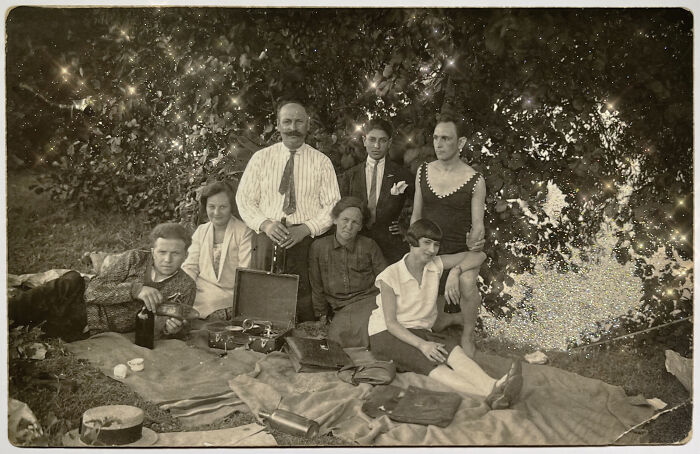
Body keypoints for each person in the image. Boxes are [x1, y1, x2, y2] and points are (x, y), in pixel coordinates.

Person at [367, 219, 522, 409]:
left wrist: (455, 272)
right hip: (386, 334)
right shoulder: (390, 275)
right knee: (431, 360)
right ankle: (489, 393)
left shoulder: (435, 264)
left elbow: (479, 255)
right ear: (411, 242)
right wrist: (423, 345)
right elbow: (391, 323)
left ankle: (493, 385)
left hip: (420, 330)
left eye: (436, 244)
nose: (432, 250)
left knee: (452, 351)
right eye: (426, 243)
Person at [236, 97, 341, 322]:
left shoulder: (322, 162)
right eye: (287, 122)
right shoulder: (261, 159)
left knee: (303, 302)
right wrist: (265, 224)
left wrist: (305, 229)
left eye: (299, 122)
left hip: (305, 241)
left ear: (308, 124)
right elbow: (244, 199)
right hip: (267, 237)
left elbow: (333, 205)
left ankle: (300, 341)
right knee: (263, 297)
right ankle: (262, 336)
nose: (293, 128)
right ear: (278, 125)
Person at [8, 223, 196, 341]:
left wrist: (175, 329)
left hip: (87, 323)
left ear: (185, 255)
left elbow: (182, 324)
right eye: (162, 252)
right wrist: (136, 289)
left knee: (32, 329)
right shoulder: (135, 259)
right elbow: (93, 291)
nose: (167, 260)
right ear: (153, 250)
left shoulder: (185, 286)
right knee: (68, 282)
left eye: (175, 253)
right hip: (75, 293)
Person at [411, 112, 486, 358]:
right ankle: (442, 322)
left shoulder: (474, 180)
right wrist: (414, 252)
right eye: (435, 138)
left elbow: (477, 239)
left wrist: (457, 269)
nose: (439, 144)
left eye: (446, 138)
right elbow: (416, 217)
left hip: (459, 252)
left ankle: (467, 335)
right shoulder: (423, 171)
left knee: (466, 281)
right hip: (428, 249)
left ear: (461, 143)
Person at [309, 196, 387, 348]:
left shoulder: (369, 245)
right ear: (335, 219)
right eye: (345, 220)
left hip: (369, 301)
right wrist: (321, 314)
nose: (349, 226)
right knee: (338, 335)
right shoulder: (318, 247)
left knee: (368, 329)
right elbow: (316, 285)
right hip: (341, 307)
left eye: (355, 222)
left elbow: (386, 279)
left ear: (360, 227)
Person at [340, 118, 413, 263]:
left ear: (390, 143)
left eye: (383, 141)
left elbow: (415, 205)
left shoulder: (402, 175)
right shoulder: (350, 176)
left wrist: (405, 225)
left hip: (390, 245)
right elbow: (342, 209)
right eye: (372, 139)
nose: (376, 145)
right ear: (364, 140)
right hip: (357, 242)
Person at [181, 181, 253, 320]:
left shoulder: (243, 231)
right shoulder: (201, 231)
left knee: (211, 307)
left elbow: (245, 272)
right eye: (211, 207)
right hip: (201, 291)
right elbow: (190, 266)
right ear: (205, 207)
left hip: (228, 294)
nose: (216, 213)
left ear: (232, 207)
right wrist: (184, 290)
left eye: (223, 207)